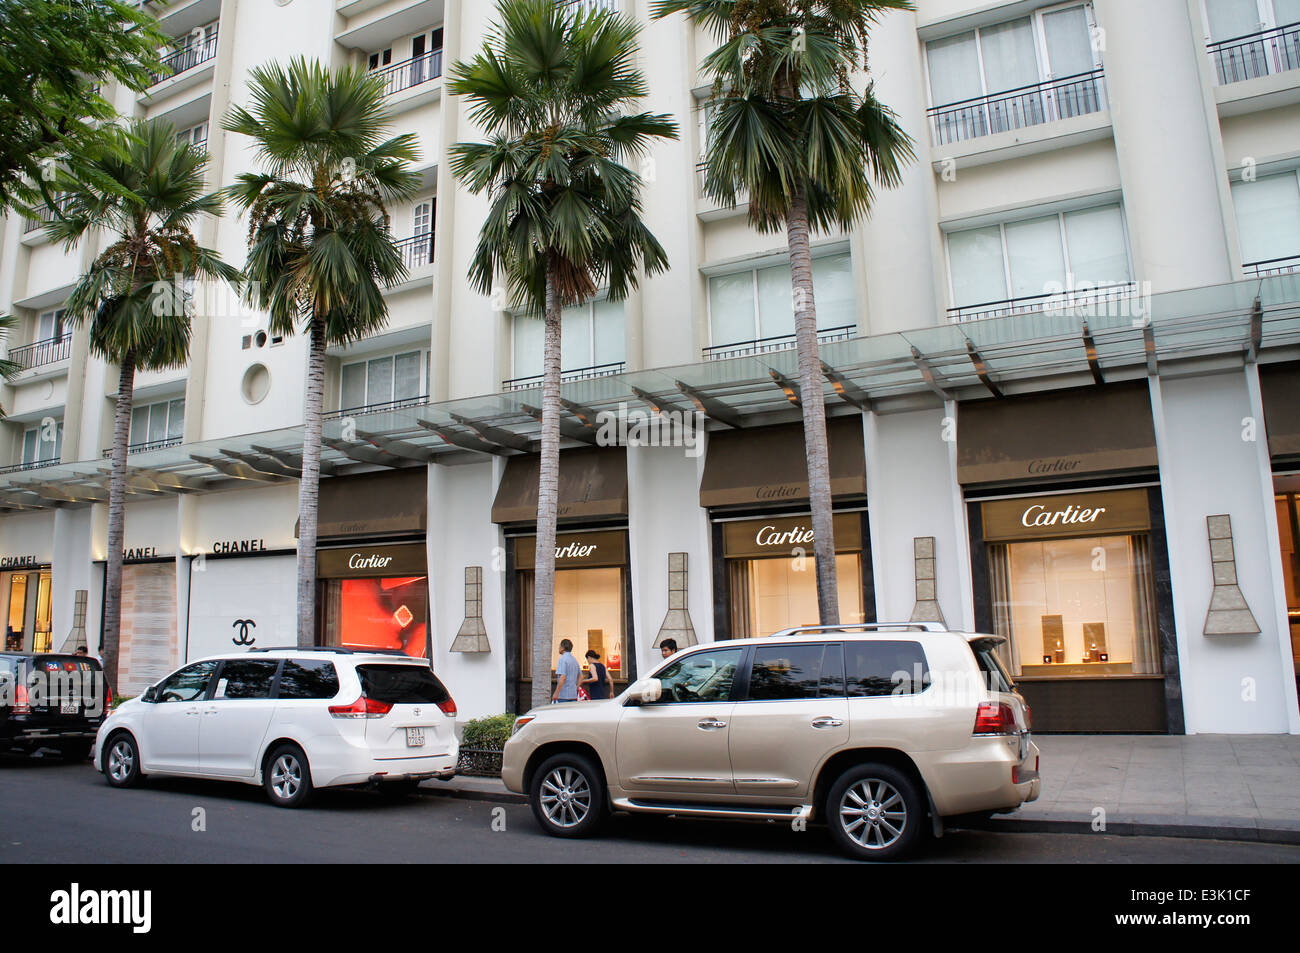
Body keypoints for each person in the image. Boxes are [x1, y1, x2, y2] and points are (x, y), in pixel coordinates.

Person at [552, 639, 580, 704]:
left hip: (563, 695)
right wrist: (576, 687)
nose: (558, 648)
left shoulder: (562, 659)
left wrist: (556, 693)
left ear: (562, 648)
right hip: (573, 695)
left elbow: (562, 677)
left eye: (559, 646)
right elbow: (581, 676)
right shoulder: (574, 660)